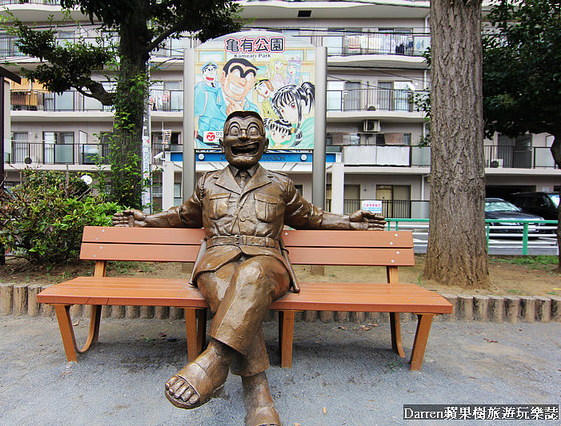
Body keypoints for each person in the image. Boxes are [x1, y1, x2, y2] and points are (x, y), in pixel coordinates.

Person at [112, 111, 385, 426]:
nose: (243, 137)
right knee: (227, 285)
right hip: (217, 262)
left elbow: (312, 217)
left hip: (269, 263)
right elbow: (182, 215)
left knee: (251, 273)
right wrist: (146, 220)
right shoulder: (208, 183)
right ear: (223, 144)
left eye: (252, 130)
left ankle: (214, 360)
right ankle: (258, 395)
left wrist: (349, 222)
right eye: (235, 131)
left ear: (265, 143)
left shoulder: (280, 184)